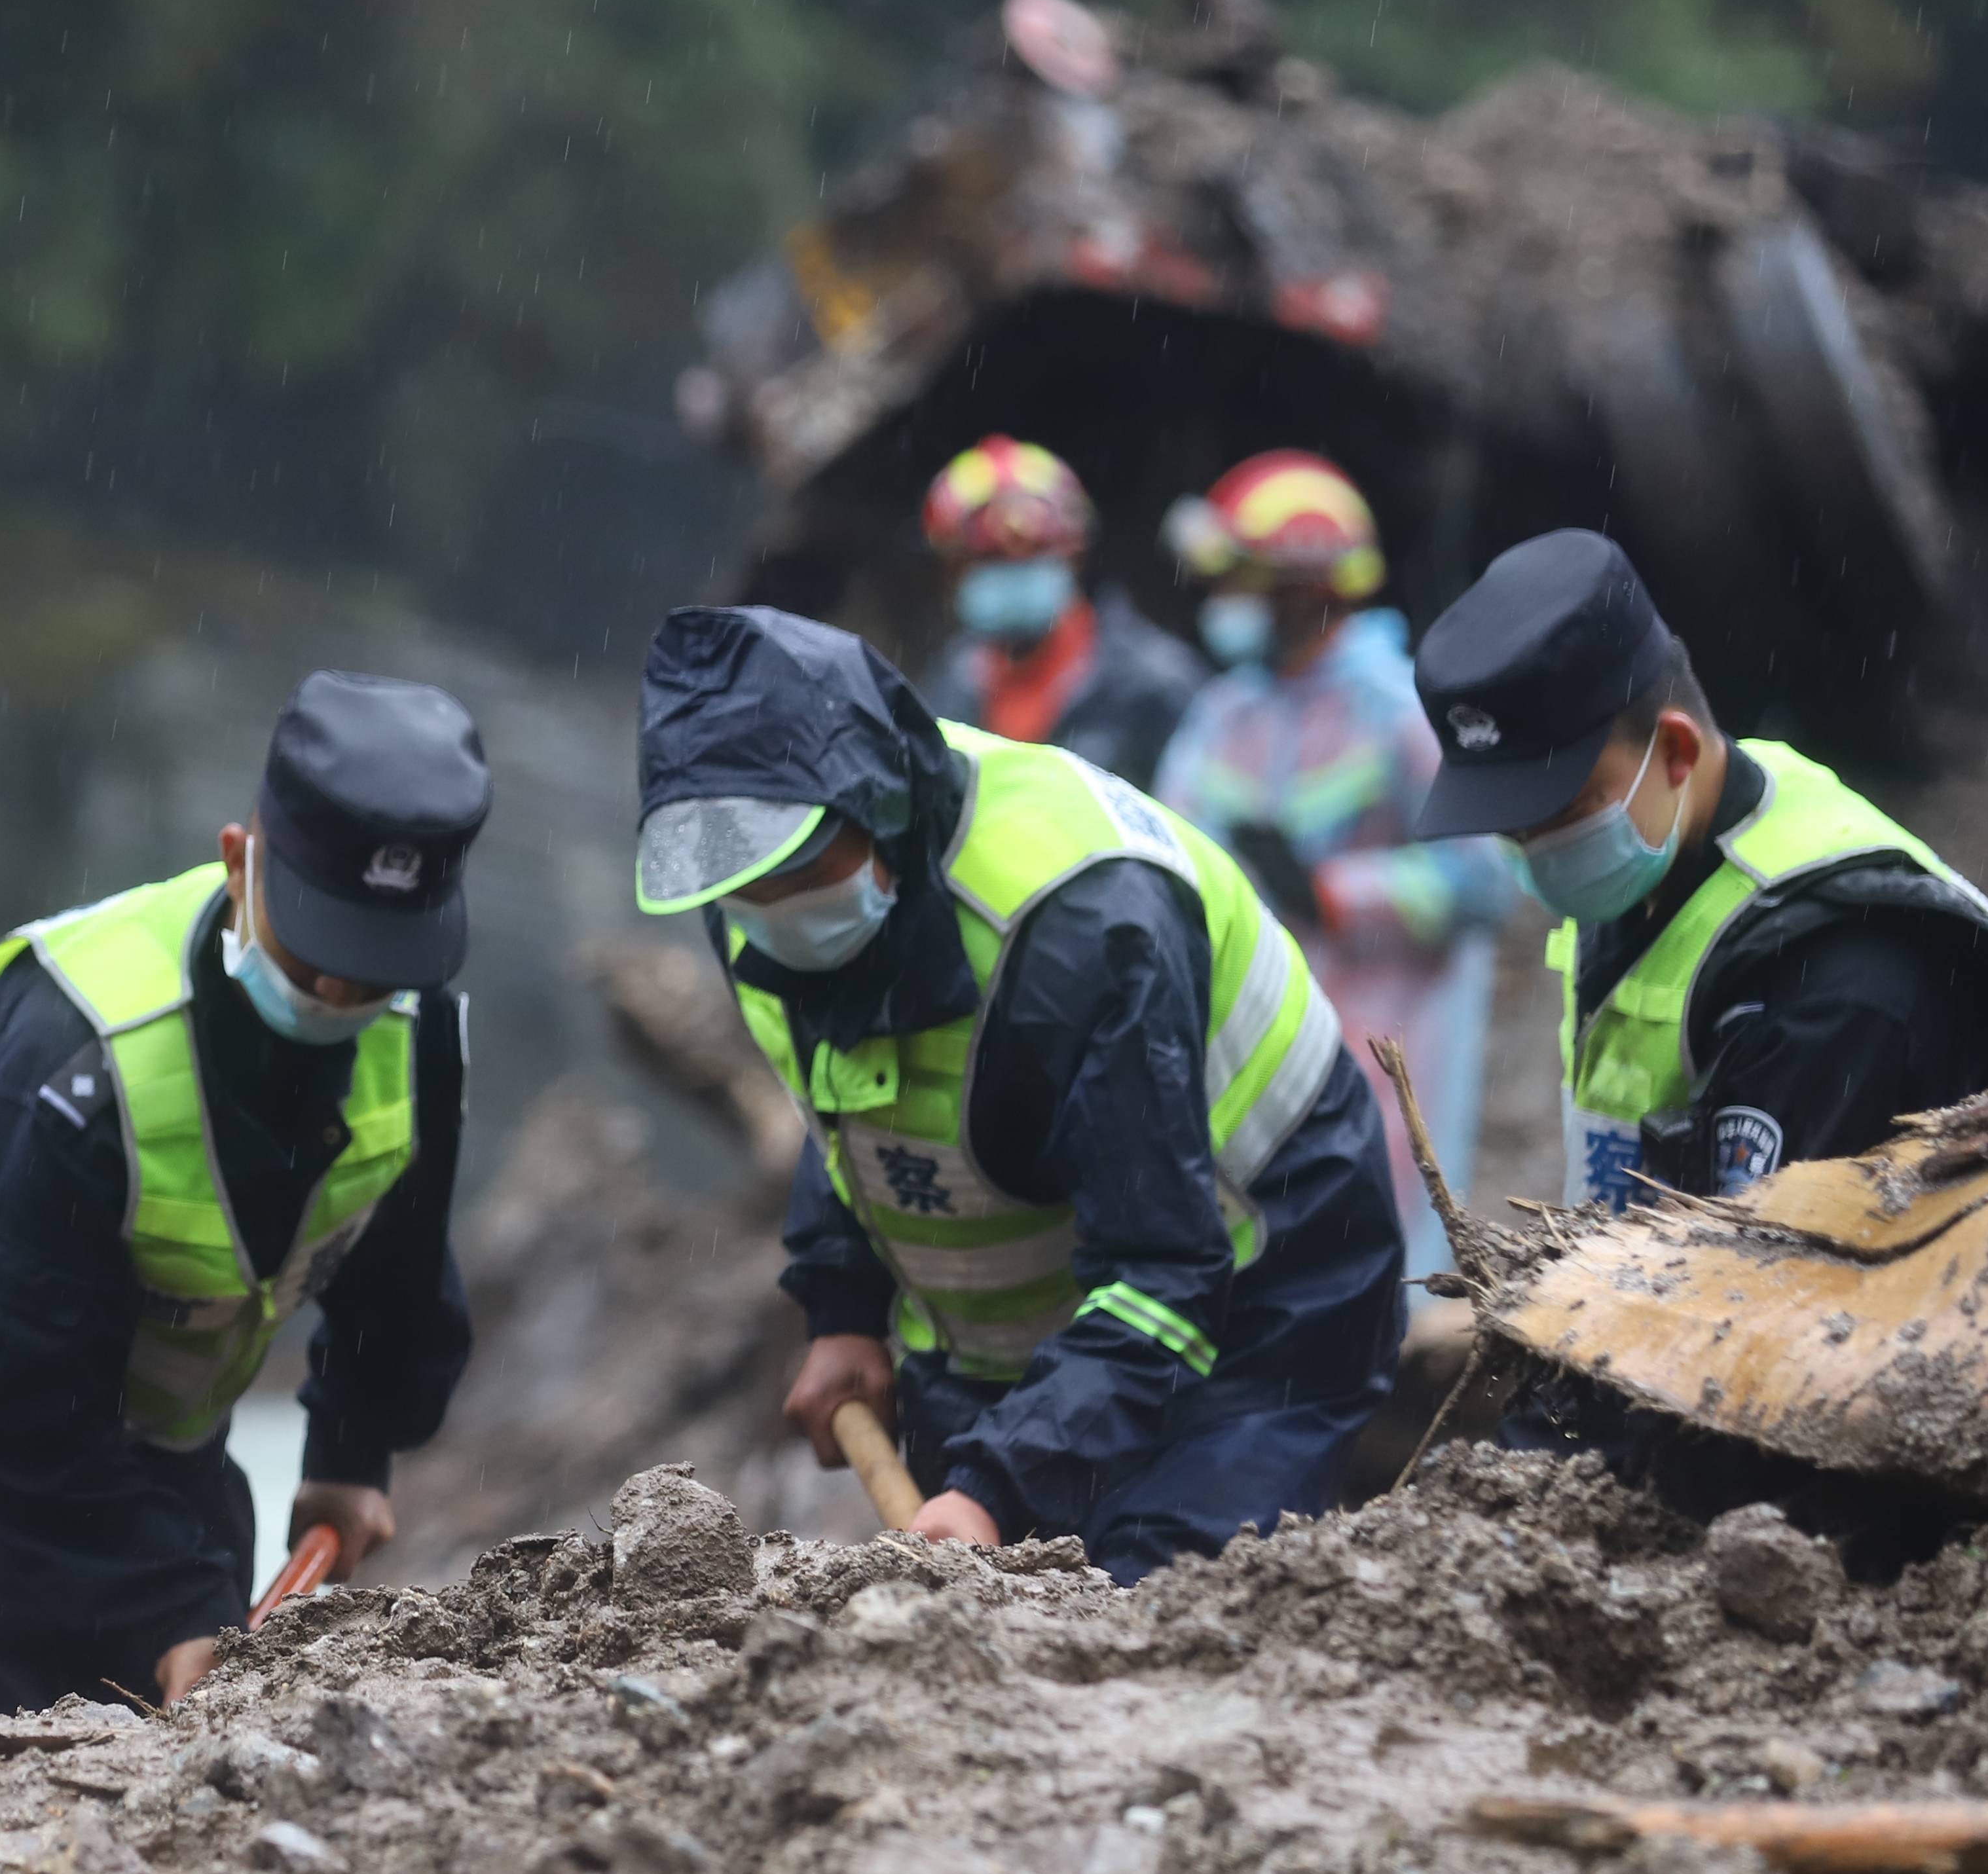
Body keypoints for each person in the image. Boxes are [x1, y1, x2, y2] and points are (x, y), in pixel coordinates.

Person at [636, 604, 1403, 1582]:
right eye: (746, 882)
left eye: (803, 867)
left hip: (1265, 1265)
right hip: (1022, 1278)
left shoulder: (1081, 925)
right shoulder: (745, 904)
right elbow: (853, 1114)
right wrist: (844, 1311)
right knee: (972, 1570)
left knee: (1153, 1593)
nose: (775, 903)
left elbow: (1167, 1274)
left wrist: (999, 1487)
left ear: (881, 805)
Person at [0, 673, 482, 1723]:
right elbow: (21, 1410)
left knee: (194, 1688)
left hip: (163, 1416)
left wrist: (349, 1450)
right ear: (242, 862)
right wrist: (167, 1602)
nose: (335, 999)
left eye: (371, 974)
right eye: (314, 955)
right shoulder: (80, 1048)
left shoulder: (419, 1033)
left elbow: (398, 1263)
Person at [1412, 529, 1988, 1211]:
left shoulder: (1835, 984)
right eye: (1509, 822)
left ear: (1675, 748)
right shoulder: (1665, 850)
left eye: (1560, 808)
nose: (1534, 847)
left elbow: (1779, 1296)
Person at [1152, 452, 1517, 1276]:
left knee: (1374, 1233)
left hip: (1391, 1031)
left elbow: (1487, 879)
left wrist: (1339, 895)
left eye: (1242, 580)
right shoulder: (1222, 716)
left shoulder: (1402, 712)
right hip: (1252, 1023)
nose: (1226, 603)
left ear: (1309, 588)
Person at [915, 435, 1205, 786]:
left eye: (1035, 552)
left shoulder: (1157, 684)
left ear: (1075, 553)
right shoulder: (950, 683)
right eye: (989, 559)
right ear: (951, 571)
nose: (1012, 574)